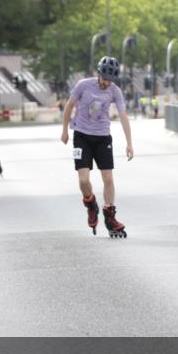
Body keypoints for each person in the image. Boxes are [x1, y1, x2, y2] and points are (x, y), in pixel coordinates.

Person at [60, 56, 133, 238]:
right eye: (105, 78)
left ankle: (110, 216)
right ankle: (90, 203)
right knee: (84, 180)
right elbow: (69, 106)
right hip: (82, 136)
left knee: (108, 178)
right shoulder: (83, 85)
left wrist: (129, 143)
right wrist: (64, 131)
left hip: (102, 137)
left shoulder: (115, 91)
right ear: (99, 74)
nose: (107, 83)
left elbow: (123, 115)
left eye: (111, 79)